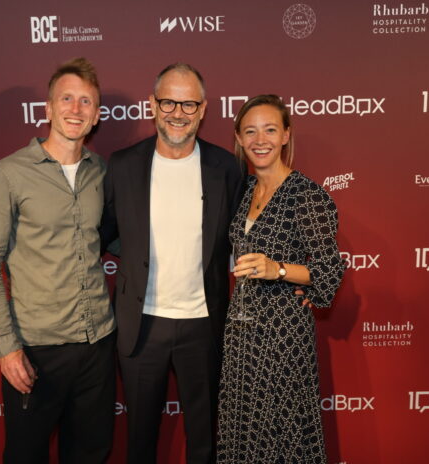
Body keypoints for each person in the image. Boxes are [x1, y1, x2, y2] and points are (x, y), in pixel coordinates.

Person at [0, 57, 116, 464]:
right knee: (26, 455)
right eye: (66, 99)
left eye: (86, 101)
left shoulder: (102, 172)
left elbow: (118, 239)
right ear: (48, 109)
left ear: (97, 115)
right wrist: (7, 349)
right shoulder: (9, 174)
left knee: (91, 454)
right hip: (37, 350)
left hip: (98, 345)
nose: (76, 109)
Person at [101, 63, 245, 464]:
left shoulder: (227, 168)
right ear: (152, 104)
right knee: (140, 441)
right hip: (141, 324)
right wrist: (138, 254)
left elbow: (242, 237)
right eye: (168, 102)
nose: (177, 113)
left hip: (204, 325)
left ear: (203, 109)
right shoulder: (123, 164)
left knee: (206, 442)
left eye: (188, 104)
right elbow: (106, 231)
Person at [216, 94, 345, 464]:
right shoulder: (245, 191)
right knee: (243, 428)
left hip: (282, 334)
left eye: (270, 130)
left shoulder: (307, 195)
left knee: (282, 431)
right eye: (250, 131)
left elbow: (329, 271)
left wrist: (280, 269)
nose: (261, 140)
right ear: (239, 138)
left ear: (286, 135)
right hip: (242, 331)